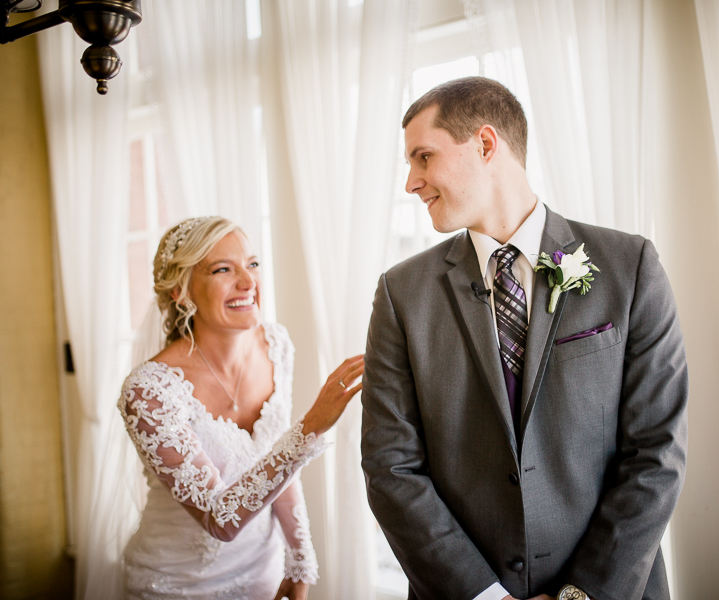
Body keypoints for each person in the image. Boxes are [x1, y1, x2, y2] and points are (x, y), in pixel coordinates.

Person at [361, 77, 688, 600]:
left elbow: (657, 450)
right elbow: (390, 466)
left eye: (423, 157)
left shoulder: (630, 268)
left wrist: (579, 596)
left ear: (486, 144)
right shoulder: (401, 294)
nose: (411, 183)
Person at [118, 216, 364, 600]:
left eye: (252, 264)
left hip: (262, 577)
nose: (248, 283)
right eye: (222, 269)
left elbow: (279, 467)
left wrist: (300, 560)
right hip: (177, 586)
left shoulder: (275, 345)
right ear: (182, 293)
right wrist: (312, 424)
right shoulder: (149, 392)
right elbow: (220, 520)